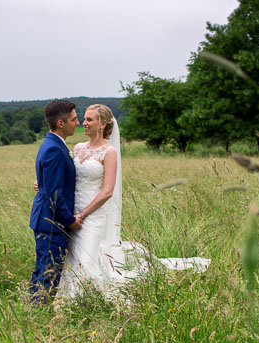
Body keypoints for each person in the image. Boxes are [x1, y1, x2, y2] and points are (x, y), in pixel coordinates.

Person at [57, 104, 210, 300]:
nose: (83, 123)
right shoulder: (78, 149)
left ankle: (90, 300)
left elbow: (107, 191)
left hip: (92, 215)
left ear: (102, 124)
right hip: (72, 213)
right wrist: (43, 183)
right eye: (84, 119)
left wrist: (83, 213)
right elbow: (67, 177)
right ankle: (66, 299)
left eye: (89, 120)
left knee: (85, 261)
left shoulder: (109, 152)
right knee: (71, 259)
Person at [29, 100, 82, 303]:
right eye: (74, 118)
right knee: (49, 273)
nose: (77, 122)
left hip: (47, 220)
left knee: (43, 268)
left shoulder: (54, 144)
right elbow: (54, 195)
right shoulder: (54, 149)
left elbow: (49, 184)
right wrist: (69, 220)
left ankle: (34, 309)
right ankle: (39, 313)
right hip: (51, 222)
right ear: (61, 123)